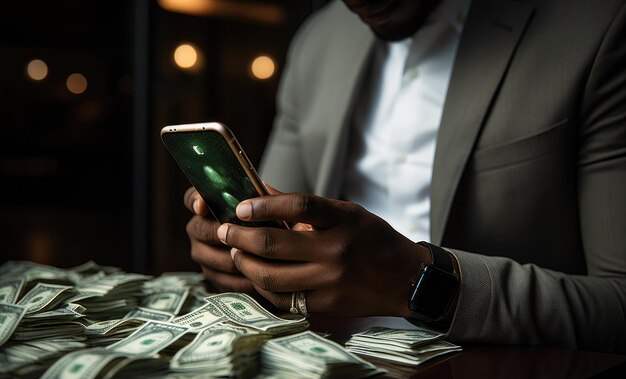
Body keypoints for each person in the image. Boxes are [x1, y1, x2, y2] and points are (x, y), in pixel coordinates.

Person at [184, 0, 626, 353]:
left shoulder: (596, 26)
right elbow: (276, 225)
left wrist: (419, 281)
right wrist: (249, 253)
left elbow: (619, 305)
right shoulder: (317, 39)